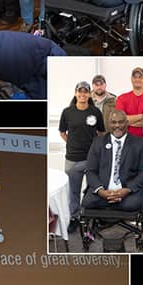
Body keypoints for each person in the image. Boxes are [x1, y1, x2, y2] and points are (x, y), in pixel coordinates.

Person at [82, 109, 143, 212]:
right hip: (103, 192)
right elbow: (90, 170)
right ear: (108, 124)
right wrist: (100, 191)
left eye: (121, 122)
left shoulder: (139, 143)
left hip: (127, 193)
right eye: (113, 122)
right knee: (88, 202)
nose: (117, 125)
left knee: (132, 204)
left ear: (127, 123)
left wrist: (127, 189)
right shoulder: (98, 142)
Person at [59, 81, 105, 234]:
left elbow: (101, 133)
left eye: (85, 92)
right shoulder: (67, 112)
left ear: (89, 94)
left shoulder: (95, 112)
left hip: (92, 159)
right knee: (74, 191)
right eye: (80, 91)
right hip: (72, 159)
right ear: (75, 93)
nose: (83, 94)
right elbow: (62, 133)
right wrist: (72, 143)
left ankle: (95, 217)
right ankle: (74, 217)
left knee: (95, 188)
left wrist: (94, 149)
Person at [114, 66, 143, 138]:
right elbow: (120, 120)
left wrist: (129, 121)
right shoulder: (121, 98)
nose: (137, 79)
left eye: (140, 77)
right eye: (135, 77)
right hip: (127, 140)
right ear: (131, 79)